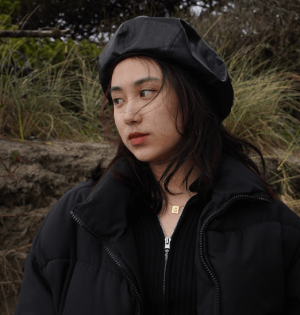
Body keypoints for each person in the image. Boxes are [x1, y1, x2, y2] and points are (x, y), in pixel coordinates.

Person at [15, 16, 300, 315]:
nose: (129, 115)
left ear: (193, 97)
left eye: (146, 92)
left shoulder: (272, 227)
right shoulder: (74, 219)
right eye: (118, 100)